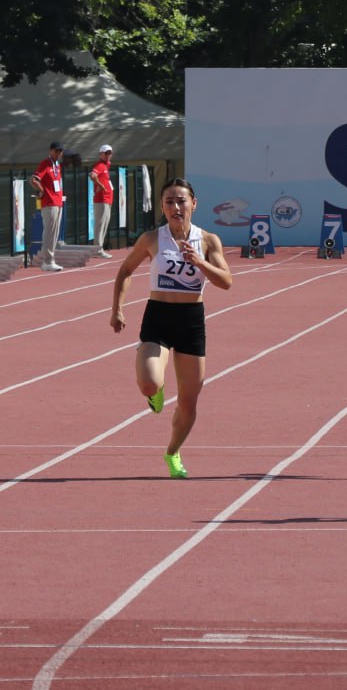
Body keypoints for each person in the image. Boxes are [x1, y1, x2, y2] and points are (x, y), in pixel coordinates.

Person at [110, 178, 233, 478]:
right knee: (149, 383)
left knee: (188, 403)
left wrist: (200, 263)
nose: (176, 207)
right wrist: (117, 309)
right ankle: (155, 391)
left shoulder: (208, 241)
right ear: (162, 207)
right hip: (159, 316)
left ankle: (173, 452)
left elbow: (226, 281)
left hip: (191, 320)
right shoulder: (152, 239)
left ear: (194, 204)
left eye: (181, 201)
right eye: (169, 202)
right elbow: (125, 270)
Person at [29, 142, 66, 271]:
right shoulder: (45, 163)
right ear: (51, 151)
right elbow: (34, 180)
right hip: (49, 203)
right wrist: (42, 190)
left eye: (60, 151)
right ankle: (47, 261)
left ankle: (50, 259)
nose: (59, 153)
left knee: (54, 233)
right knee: (50, 232)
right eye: (57, 151)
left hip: (58, 202)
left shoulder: (57, 165)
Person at [91, 143, 114, 258]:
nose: (108, 155)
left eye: (110, 153)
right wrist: (100, 185)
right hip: (102, 199)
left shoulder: (106, 165)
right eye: (106, 153)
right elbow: (92, 175)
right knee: (100, 225)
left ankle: (99, 249)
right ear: (101, 154)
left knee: (104, 225)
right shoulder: (100, 165)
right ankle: (97, 250)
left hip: (107, 199)